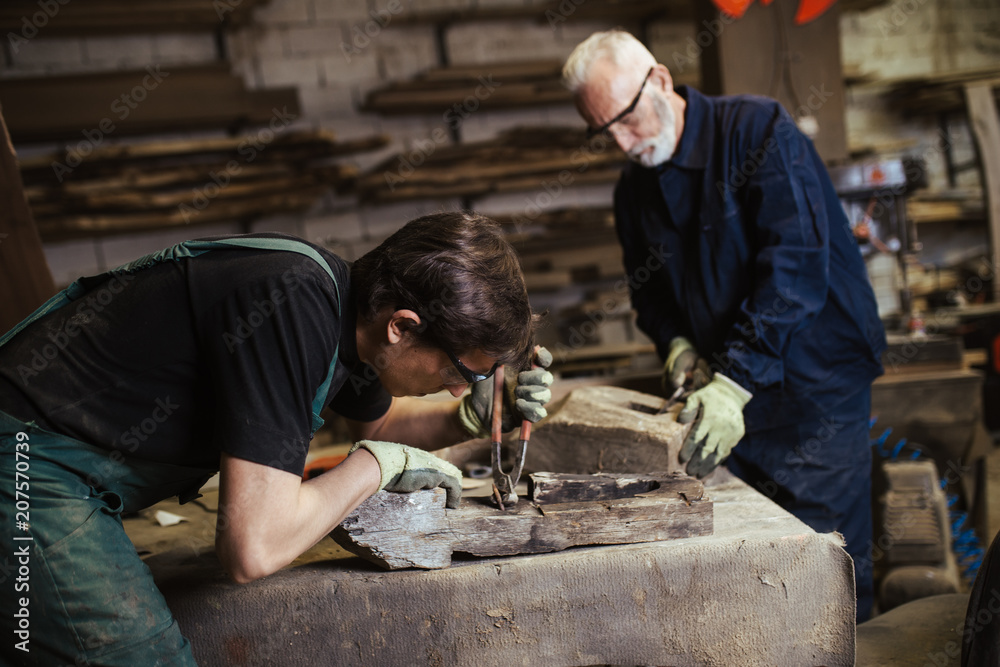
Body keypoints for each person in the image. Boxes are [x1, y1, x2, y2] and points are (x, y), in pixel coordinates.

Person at [0, 211, 553, 665]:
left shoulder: (350, 316)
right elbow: (252, 549)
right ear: (403, 327)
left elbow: (381, 428)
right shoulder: (292, 307)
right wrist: (371, 468)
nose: (458, 390)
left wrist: (472, 422)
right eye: (463, 372)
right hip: (27, 467)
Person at [563, 30, 886, 622]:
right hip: (727, 401)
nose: (623, 142)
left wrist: (734, 379)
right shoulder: (632, 191)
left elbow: (794, 270)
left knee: (827, 572)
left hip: (815, 389)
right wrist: (679, 347)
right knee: (764, 577)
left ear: (659, 79)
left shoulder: (759, 132)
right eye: (602, 132)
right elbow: (651, 294)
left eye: (627, 119)